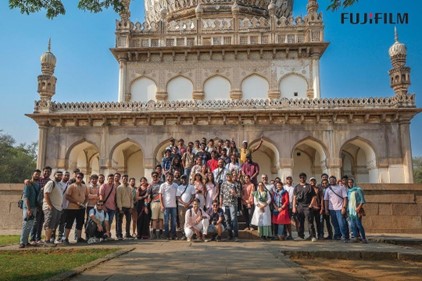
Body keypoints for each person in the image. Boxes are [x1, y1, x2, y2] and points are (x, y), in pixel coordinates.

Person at [63, 172, 88, 245]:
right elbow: (67, 196)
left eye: (81, 177)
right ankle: (66, 238)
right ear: (75, 177)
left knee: (80, 223)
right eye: (78, 177)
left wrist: (83, 203)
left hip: (81, 208)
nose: (79, 179)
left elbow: (86, 196)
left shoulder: (84, 186)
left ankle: (79, 238)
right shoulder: (71, 186)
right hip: (72, 208)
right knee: (69, 223)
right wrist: (77, 202)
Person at [29, 166, 52, 245]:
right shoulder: (39, 179)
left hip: (45, 204)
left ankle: (38, 238)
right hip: (37, 203)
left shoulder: (50, 181)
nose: (47, 173)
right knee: (36, 222)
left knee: (41, 222)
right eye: (45, 171)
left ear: (50, 173)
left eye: (48, 172)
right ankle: (32, 238)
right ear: (43, 172)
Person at [19, 169, 41, 248]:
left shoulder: (38, 185)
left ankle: (25, 241)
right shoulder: (28, 184)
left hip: (34, 207)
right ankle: (22, 242)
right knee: (26, 224)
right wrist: (28, 209)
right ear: (32, 175)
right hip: (28, 207)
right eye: (36, 174)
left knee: (30, 225)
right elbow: (26, 197)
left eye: (38, 174)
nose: (37, 175)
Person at [42, 170, 64, 247]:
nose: (59, 177)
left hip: (58, 207)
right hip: (51, 207)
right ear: (54, 175)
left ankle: (49, 240)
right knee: (49, 224)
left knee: (53, 225)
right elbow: (46, 194)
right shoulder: (51, 183)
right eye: (58, 175)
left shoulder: (59, 184)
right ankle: (47, 241)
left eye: (61, 175)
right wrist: (50, 205)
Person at [324, 176, 349, 242]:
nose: (332, 181)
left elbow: (345, 198)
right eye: (330, 180)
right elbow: (326, 200)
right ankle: (337, 235)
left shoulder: (341, 187)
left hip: (340, 208)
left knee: (342, 223)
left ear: (335, 180)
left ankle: (345, 236)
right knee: (335, 223)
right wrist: (326, 209)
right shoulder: (328, 189)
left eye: (333, 179)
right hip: (332, 209)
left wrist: (344, 207)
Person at [292, 172, 316, 241]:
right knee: (300, 222)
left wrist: (311, 205)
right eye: (301, 177)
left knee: (310, 221)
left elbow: (314, 197)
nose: (302, 178)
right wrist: (294, 207)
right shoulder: (296, 187)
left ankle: (312, 236)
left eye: (304, 177)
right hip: (299, 206)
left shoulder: (309, 186)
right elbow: (294, 198)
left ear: (305, 178)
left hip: (307, 206)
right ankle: (300, 235)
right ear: (299, 178)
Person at [219, 172, 240, 241]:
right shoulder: (223, 184)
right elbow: (221, 194)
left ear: (231, 176)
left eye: (229, 175)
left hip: (233, 204)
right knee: (227, 220)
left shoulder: (236, 184)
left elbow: (239, 195)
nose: (228, 177)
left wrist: (234, 193)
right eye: (227, 176)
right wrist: (220, 203)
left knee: (234, 219)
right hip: (225, 204)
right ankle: (229, 235)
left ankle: (236, 236)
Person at [347, 178, 368, 243]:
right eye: (349, 182)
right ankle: (356, 237)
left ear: (353, 182)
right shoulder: (349, 191)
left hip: (357, 209)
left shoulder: (358, 190)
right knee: (353, 225)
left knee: (359, 224)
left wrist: (359, 208)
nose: (350, 183)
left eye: (351, 182)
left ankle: (363, 238)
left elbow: (362, 200)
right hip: (351, 210)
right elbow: (349, 201)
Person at [159, 172, 179, 240]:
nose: (169, 178)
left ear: (173, 178)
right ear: (166, 177)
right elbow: (160, 195)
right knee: (166, 221)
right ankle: (166, 235)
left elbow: (177, 195)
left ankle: (173, 235)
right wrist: (162, 205)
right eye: (168, 177)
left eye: (171, 177)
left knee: (173, 221)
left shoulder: (176, 185)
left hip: (174, 206)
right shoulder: (163, 185)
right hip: (166, 206)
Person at [177, 175, 195, 240]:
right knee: (182, 220)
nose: (184, 180)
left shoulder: (191, 187)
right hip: (181, 206)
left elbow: (193, 196)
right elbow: (178, 197)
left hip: (189, 205)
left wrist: (188, 203)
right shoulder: (179, 187)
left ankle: (191, 233)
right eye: (182, 179)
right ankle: (183, 233)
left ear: (187, 179)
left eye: (185, 178)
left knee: (190, 220)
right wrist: (184, 203)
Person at [99, 174, 117, 239]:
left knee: (109, 222)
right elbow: (101, 196)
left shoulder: (114, 187)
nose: (111, 180)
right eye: (110, 178)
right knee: (104, 222)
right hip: (105, 207)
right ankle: (103, 235)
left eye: (112, 179)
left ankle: (107, 234)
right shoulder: (103, 186)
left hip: (112, 207)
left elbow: (115, 197)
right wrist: (102, 206)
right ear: (107, 179)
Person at [116, 174, 133, 240]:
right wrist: (120, 208)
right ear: (122, 179)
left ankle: (128, 234)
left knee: (128, 221)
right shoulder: (119, 188)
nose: (125, 180)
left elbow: (131, 198)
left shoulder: (129, 188)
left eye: (126, 179)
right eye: (124, 179)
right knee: (120, 221)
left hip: (128, 207)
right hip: (122, 207)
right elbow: (118, 199)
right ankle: (119, 235)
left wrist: (131, 207)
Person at [150, 171, 164, 239]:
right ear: (152, 177)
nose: (155, 177)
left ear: (158, 176)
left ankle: (161, 233)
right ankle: (154, 233)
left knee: (161, 219)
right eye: (153, 176)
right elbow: (148, 194)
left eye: (156, 176)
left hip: (161, 202)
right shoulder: (150, 185)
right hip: (154, 202)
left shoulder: (162, 184)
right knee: (154, 219)